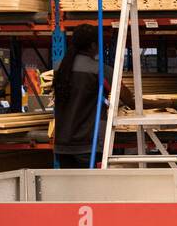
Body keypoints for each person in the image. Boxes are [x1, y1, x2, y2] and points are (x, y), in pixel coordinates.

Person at [52, 24, 129, 168]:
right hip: (88, 145)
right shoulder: (99, 70)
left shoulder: (60, 68)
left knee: (69, 190)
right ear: (93, 45)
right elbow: (128, 98)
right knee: (91, 189)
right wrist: (166, 104)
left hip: (63, 145)